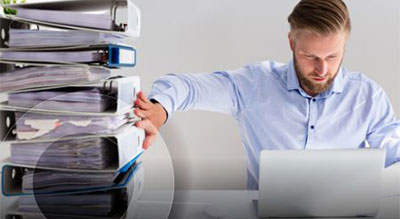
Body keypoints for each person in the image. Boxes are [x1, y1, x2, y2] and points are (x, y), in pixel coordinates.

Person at [133, 0, 400, 189]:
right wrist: (161, 108)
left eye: (332, 56)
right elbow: (185, 87)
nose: (323, 69)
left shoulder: (368, 97)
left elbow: (395, 160)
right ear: (292, 43)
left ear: (345, 45)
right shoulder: (254, 85)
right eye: (310, 56)